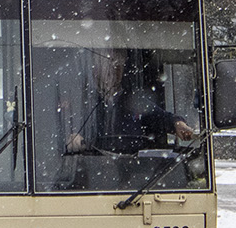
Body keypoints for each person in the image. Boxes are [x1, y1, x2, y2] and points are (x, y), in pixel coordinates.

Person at [66, 51, 196, 154]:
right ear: (95, 69)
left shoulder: (133, 101)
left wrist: (178, 124)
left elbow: (161, 118)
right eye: (109, 64)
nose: (114, 70)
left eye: (119, 65)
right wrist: (73, 138)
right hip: (93, 173)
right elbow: (62, 133)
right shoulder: (82, 103)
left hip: (133, 174)